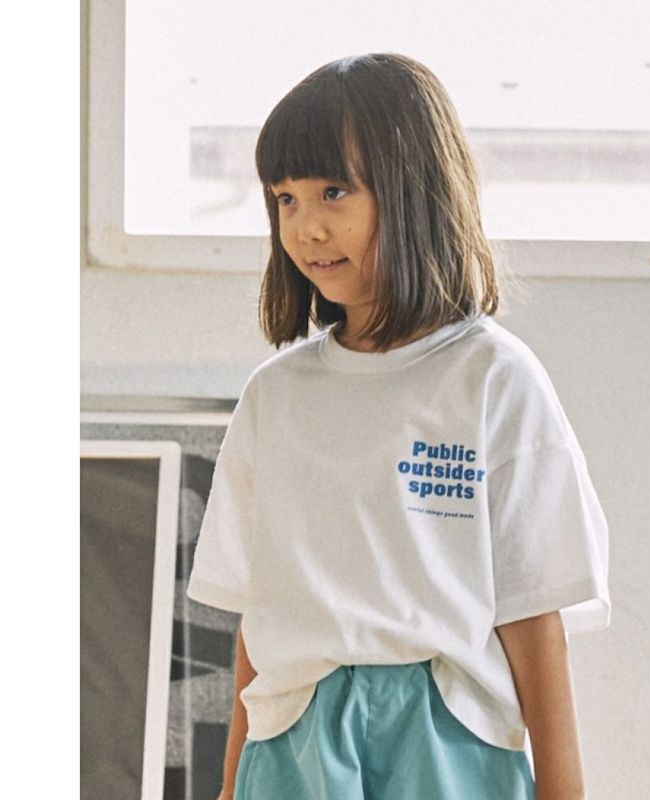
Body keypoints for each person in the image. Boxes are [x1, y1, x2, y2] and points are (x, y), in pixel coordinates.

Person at [187, 52, 610, 800]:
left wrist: (563, 791)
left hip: (448, 743)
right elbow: (261, 611)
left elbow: (532, 618)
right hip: (294, 744)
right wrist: (229, 787)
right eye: (285, 199)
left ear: (415, 188)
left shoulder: (493, 379)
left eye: (334, 191)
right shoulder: (274, 397)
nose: (307, 227)